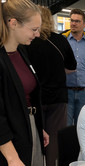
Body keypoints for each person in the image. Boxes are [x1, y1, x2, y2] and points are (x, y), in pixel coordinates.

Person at [0, 0, 49, 166]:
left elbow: (27, 96)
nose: (37, 34)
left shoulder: (22, 50)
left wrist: (37, 127)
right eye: (34, 29)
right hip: (8, 141)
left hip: (28, 127)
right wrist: (12, 157)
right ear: (13, 23)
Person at [26, 6, 77, 166]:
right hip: (58, 98)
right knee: (54, 139)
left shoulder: (27, 42)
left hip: (34, 98)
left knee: (33, 137)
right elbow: (72, 67)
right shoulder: (60, 40)